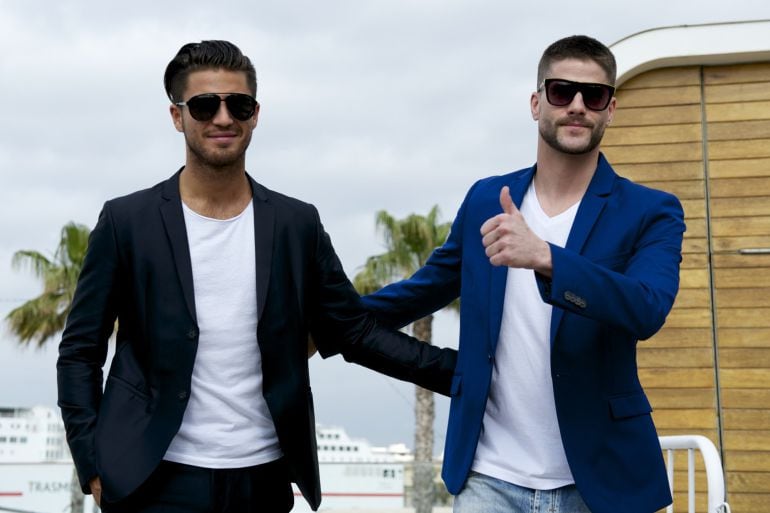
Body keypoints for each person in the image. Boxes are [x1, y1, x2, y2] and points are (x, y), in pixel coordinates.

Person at [56, 40, 456, 513]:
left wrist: (470, 375)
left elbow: (356, 330)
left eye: (238, 104)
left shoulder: (296, 223)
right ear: (177, 116)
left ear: (256, 113)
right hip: (151, 478)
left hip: (262, 479)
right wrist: (93, 464)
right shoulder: (127, 222)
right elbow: (80, 350)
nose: (223, 118)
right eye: (205, 106)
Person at [362, 35, 685, 513]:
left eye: (592, 96)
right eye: (561, 92)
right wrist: (327, 320)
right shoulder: (485, 200)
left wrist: (548, 258)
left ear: (610, 109)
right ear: (537, 103)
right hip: (489, 477)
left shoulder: (651, 210)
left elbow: (647, 307)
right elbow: (423, 290)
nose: (577, 106)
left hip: (598, 482)